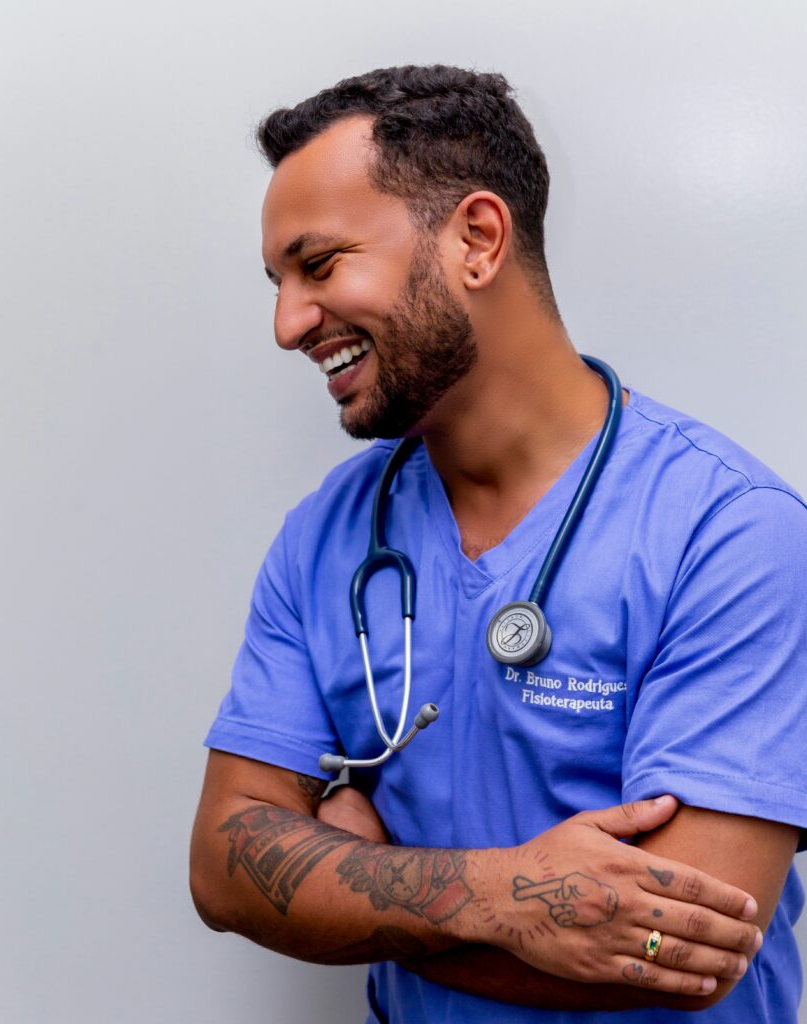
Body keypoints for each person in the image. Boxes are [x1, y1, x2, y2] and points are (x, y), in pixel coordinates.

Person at [189, 65, 807, 1022]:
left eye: (319, 265)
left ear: (476, 239)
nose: (287, 324)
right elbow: (227, 870)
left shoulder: (731, 533)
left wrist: (366, 876)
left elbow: (682, 952)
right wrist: (504, 897)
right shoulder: (326, 536)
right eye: (278, 282)